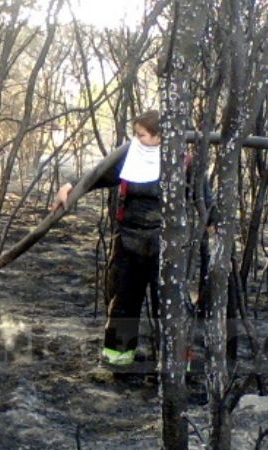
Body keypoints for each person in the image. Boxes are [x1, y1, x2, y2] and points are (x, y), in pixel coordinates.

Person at [51, 110, 214, 367]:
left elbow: (204, 199)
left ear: (159, 136)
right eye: (135, 134)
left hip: (167, 246)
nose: (136, 139)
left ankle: (173, 366)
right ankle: (118, 361)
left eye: (142, 135)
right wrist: (69, 186)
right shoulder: (128, 157)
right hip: (128, 242)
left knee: (170, 307)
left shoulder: (184, 162)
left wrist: (214, 227)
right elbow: (95, 175)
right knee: (124, 304)